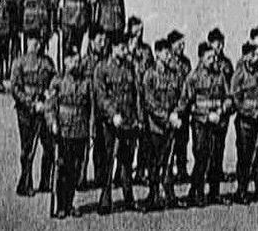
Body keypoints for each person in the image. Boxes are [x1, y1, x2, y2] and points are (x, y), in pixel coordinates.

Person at [93, 32, 138, 213]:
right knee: (108, 159)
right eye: (121, 47)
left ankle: (129, 198)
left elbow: (135, 93)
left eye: (125, 47)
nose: (125, 50)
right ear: (113, 48)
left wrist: (137, 118)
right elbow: (101, 96)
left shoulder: (129, 67)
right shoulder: (102, 68)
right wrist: (112, 115)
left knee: (127, 161)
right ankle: (105, 197)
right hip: (109, 124)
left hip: (128, 121)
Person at [182, 42, 232, 207]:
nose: (213, 60)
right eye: (209, 57)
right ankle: (196, 193)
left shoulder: (219, 76)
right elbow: (187, 103)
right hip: (201, 124)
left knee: (216, 158)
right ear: (201, 58)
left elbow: (228, 97)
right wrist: (206, 115)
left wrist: (222, 110)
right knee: (201, 158)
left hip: (217, 122)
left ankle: (214, 193)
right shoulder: (193, 77)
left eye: (214, 57)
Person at [45, 46, 92, 219]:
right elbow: (50, 106)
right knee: (63, 169)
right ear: (65, 61)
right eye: (73, 61)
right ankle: (60, 206)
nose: (76, 64)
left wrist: (91, 130)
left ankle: (70, 203)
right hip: (63, 131)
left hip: (80, 131)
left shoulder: (86, 82)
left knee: (75, 170)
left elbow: (91, 108)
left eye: (78, 61)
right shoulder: (57, 81)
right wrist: (52, 123)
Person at [139, 36, 184, 211]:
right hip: (155, 127)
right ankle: (153, 195)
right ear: (157, 53)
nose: (169, 56)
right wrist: (167, 117)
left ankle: (169, 195)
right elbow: (149, 102)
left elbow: (181, 96)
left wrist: (176, 113)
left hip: (170, 126)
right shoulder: (149, 75)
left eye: (169, 53)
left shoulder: (174, 75)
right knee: (154, 163)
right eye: (165, 53)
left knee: (168, 162)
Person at [11, 30, 56, 197]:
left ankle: (45, 181)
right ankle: (25, 183)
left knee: (49, 146)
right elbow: (16, 89)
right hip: (26, 111)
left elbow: (54, 83)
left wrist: (48, 98)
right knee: (27, 149)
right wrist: (31, 104)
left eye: (39, 42)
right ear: (27, 42)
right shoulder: (19, 63)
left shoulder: (48, 62)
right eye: (33, 41)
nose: (37, 45)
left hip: (44, 110)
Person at [230, 41, 258, 204]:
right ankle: (241, 191)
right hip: (246, 123)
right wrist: (254, 113)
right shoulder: (239, 75)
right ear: (246, 56)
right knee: (245, 157)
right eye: (253, 55)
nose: (257, 58)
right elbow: (237, 100)